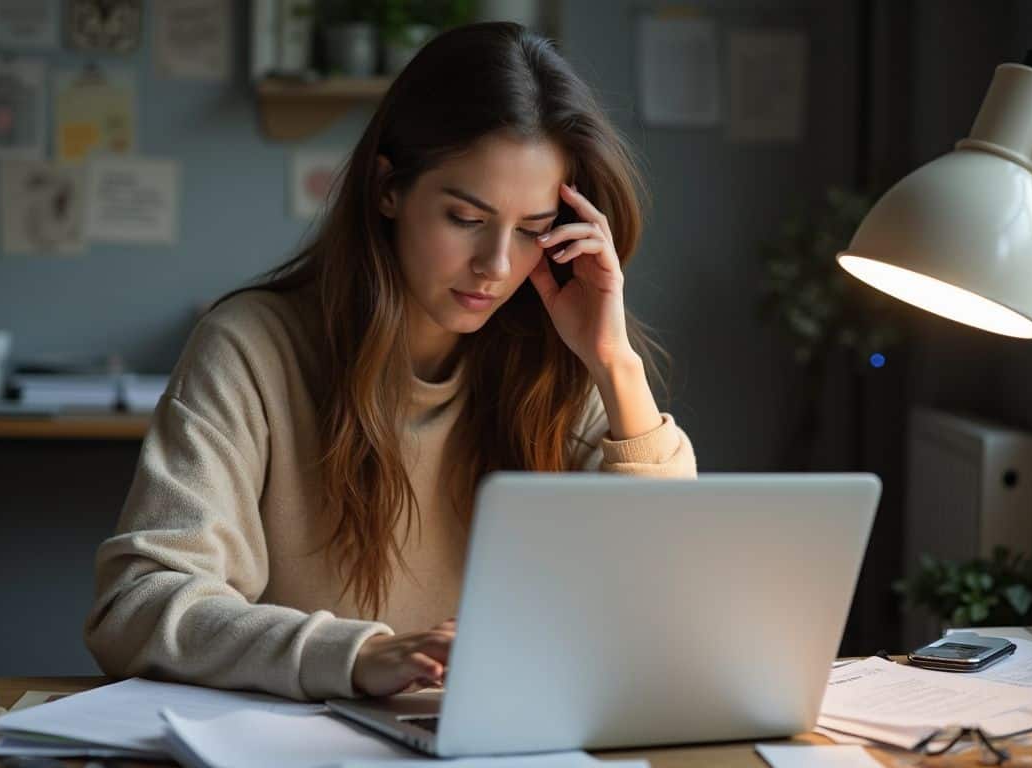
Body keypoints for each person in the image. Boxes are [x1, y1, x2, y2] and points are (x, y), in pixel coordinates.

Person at [84, 21, 697, 703]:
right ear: (388, 188)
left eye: (531, 231)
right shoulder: (253, 347)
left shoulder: (554, 362)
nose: (496, 266)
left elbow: (671, 598)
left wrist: (615, 363)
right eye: (466, 218)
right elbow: (138, 605)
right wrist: (358, 654)